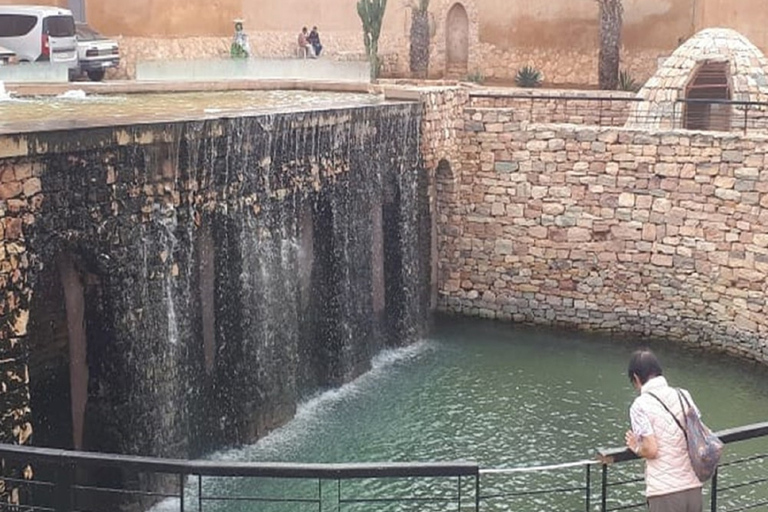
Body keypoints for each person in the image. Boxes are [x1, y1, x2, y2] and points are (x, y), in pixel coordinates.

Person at [625, 349, 704, 512]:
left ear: (636, 378)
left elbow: (651, 449)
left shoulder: (640, 405)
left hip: (665, 491)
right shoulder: (683, 395)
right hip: (693, 486)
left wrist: (636, 446)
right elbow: (698, 431)